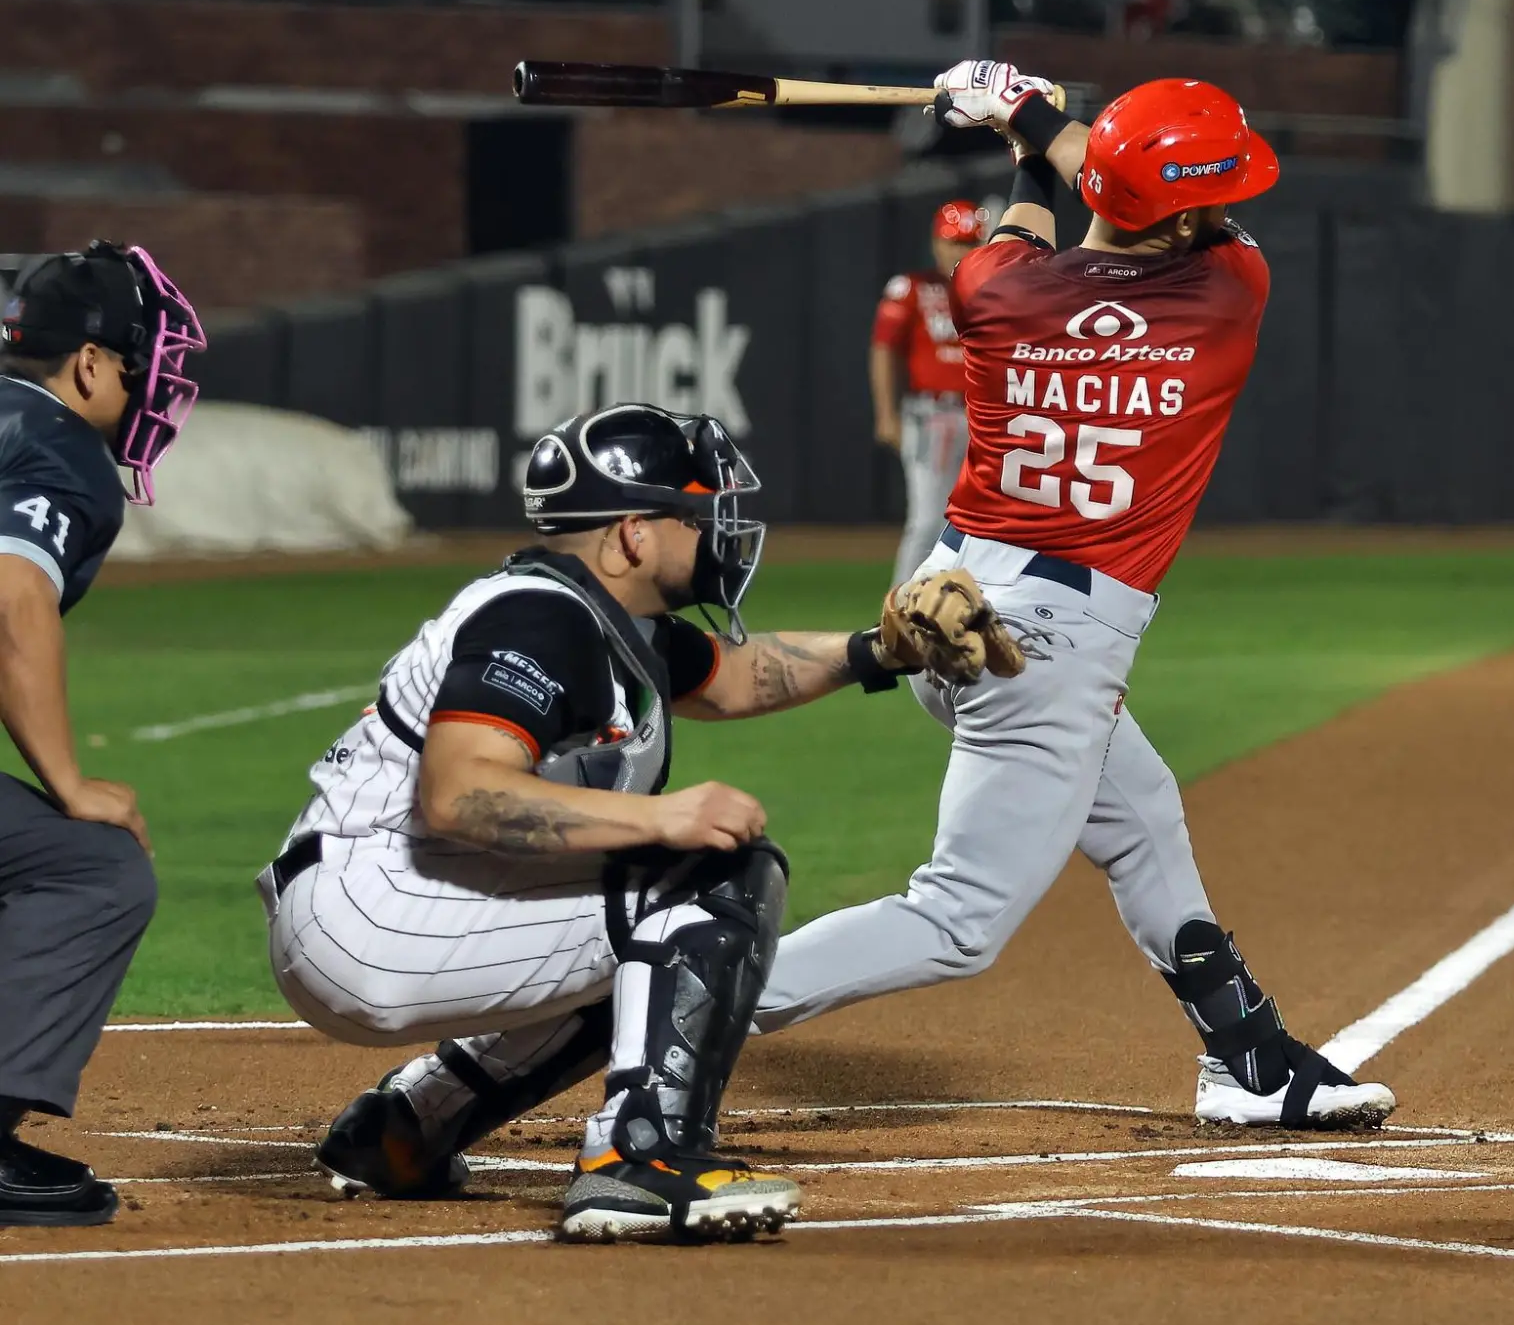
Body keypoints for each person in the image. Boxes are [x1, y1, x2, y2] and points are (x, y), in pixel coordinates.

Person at [752, 61, 1398, 1132]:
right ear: (1180, 215)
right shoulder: (1228, 291)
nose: (1228, 206)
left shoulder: (992, 287)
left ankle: (1245, 1058)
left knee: (1143, 819)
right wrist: (1026, 114)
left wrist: (1022, 135)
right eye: (1213, 194)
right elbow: (1081, 166)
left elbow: (1045, 205)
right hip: (1043, 652)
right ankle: (666, 997)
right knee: (957, 920)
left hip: (945, 611)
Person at [267, 404, 1013, 1243]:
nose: (717, 532)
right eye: (694, 516)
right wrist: (660, 815)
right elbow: (459, 792)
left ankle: (406, 1127)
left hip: (392, 900)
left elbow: (739, 676)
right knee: (715, 879)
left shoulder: (602, 619)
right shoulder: (541, 619)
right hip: (374, 912)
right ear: (632, 535)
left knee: (651, 957)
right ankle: (641, 1160)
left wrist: (880, 649)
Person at [0, 242, 205, 1227]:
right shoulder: (59, 447)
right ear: (88, 364)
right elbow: (12, 600)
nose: (151, 390)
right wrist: (69, 780)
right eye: (138, 365)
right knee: (91, 867)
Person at [871, 200, 986, 585]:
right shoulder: (913, 288)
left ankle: (960, 605)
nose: (960, 252)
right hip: (931, 414)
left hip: (981, 419)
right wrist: (886, 414)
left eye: (969, 243)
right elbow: (883, 349)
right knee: (927, 521)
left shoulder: (992, 291)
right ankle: (900, 608)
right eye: (954, 243)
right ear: (937, 243)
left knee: (978, 524)